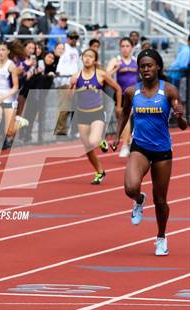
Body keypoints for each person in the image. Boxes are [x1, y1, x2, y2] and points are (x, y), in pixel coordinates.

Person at [111, 49, 187, 255]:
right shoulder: (131, 92)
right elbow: (125, 114)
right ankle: (138, 200)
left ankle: (161, 237)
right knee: (130, 187)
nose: (145, 69)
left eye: (149, 65)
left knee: (161, 200)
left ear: (158, 67)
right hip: (140, 147)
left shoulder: (169, 90)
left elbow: (183, 126)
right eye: (142, 66)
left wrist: (179, 117)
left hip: (162, 151)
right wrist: (117, 137)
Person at [71, 48, 122, 184]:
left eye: (90, 56)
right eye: (85, 56)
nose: (87, 58)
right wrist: (70, 87)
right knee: (88, 147)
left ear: (95, 60)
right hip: (82, 114)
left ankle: (100, 140)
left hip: (97, 112)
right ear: (82, 58)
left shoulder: (101, 75)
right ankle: (100, 171)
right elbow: (68, 97)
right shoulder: (76, 76)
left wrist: (118, 106)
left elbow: (118, 89)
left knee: (93, 141)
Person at [106, 37, 139, 158]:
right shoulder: (116, 60)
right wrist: (115, 68)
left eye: (127, 46)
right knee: (123, 120)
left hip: (135, 94)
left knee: (126, 119)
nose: (125, 49)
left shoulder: (136, 61)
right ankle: (128, 142)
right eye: (123, 46)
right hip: (121, 95)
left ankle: (125, 145)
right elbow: (105, 76)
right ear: (120, 48)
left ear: (132, 47)